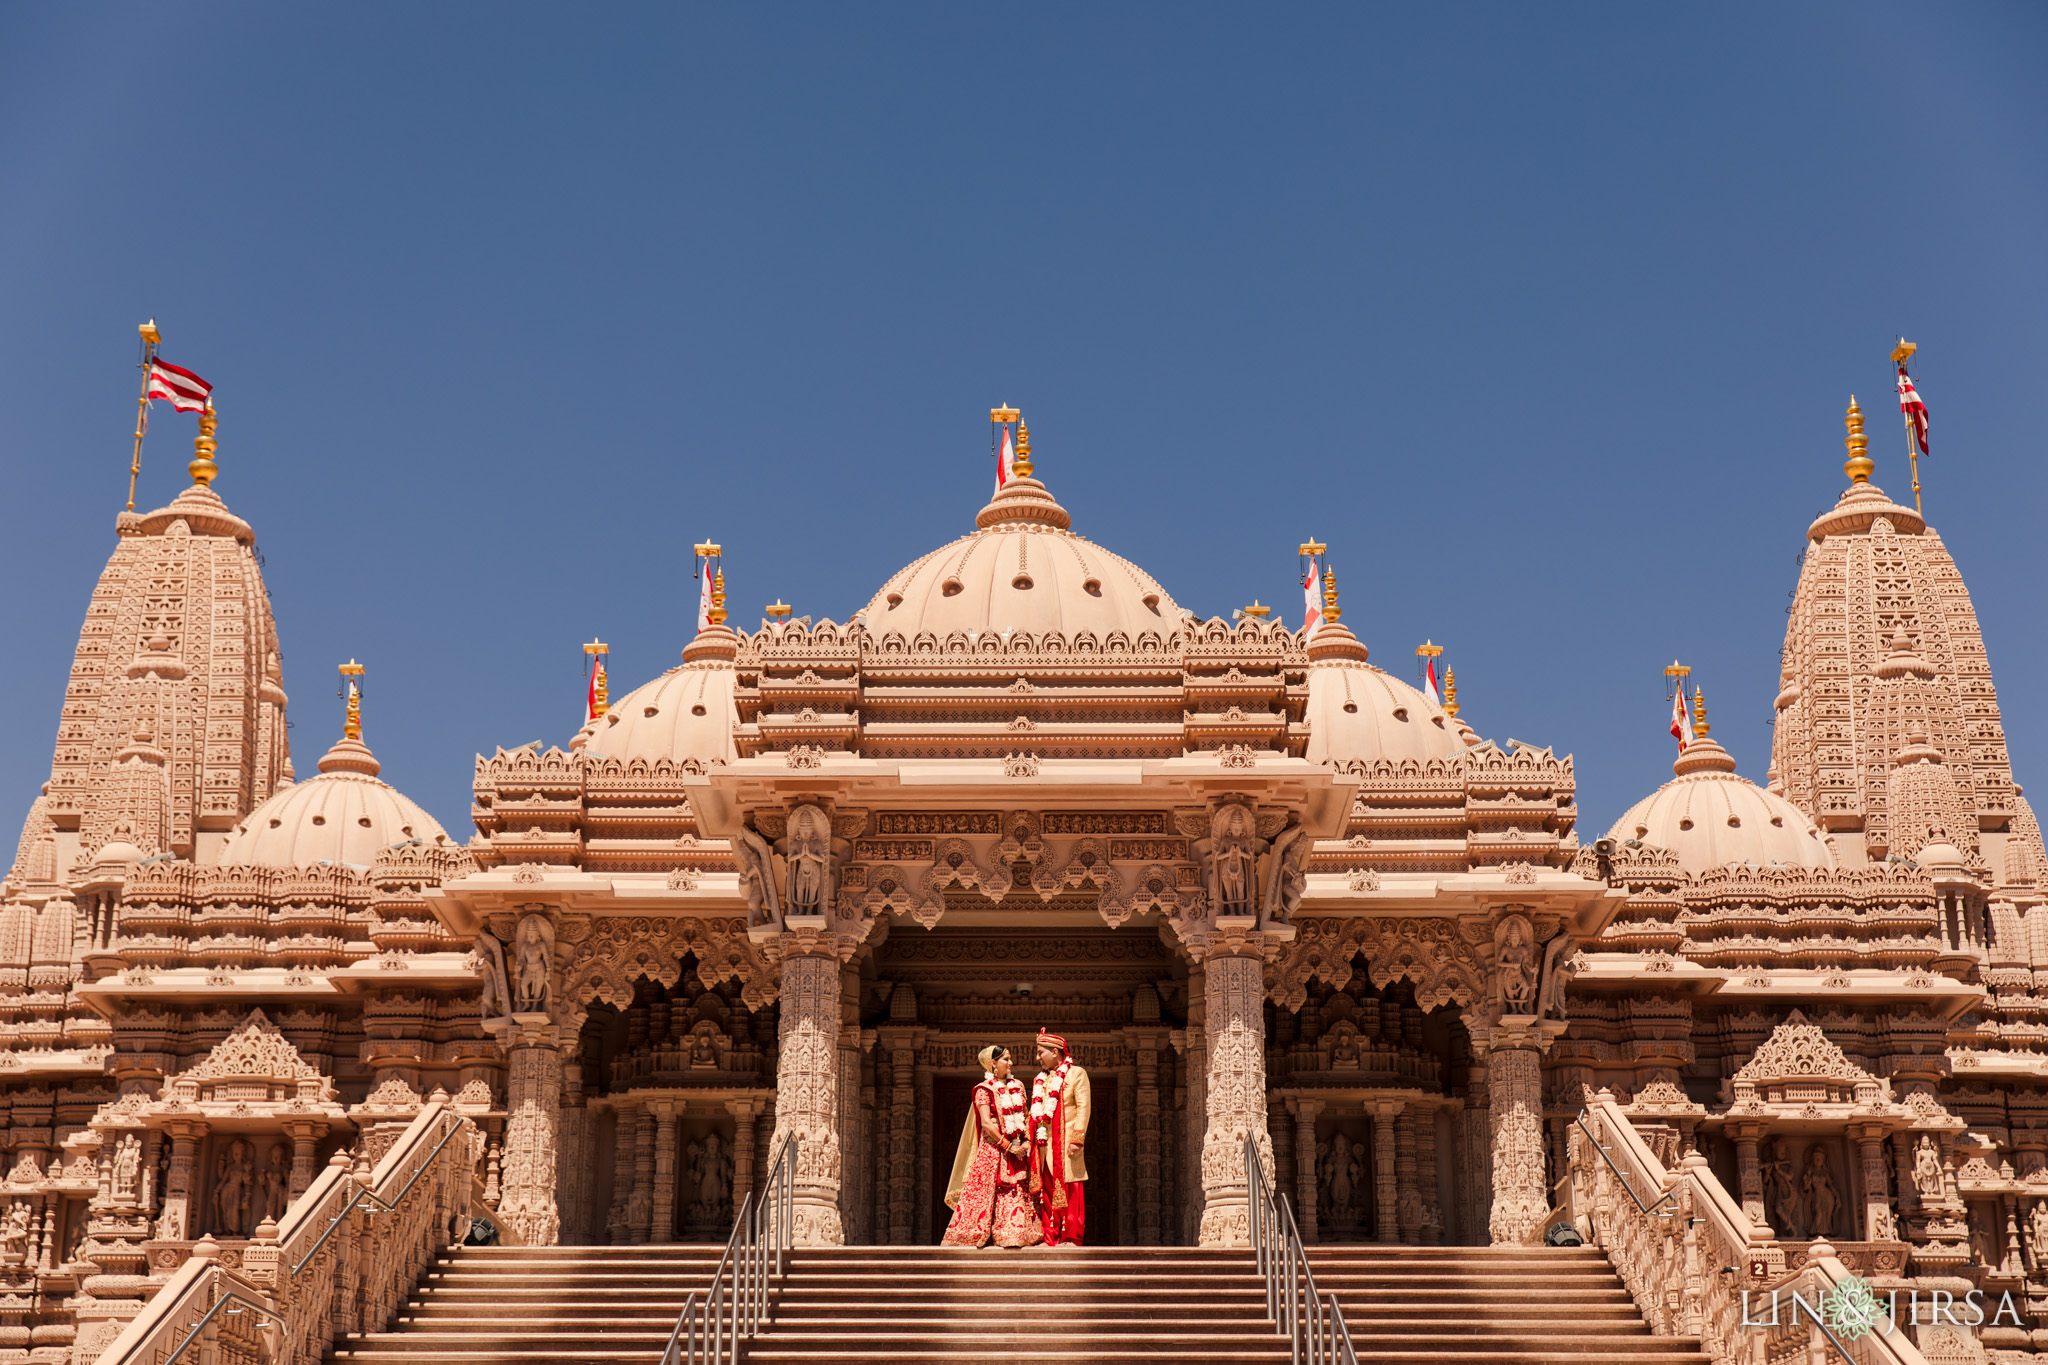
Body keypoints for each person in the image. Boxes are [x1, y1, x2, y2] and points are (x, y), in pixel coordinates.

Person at [940, 1045, 1042, 1249]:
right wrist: (1007, 1145)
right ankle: (974, 1234)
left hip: (1018, 1148)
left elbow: (1025, 1115)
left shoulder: (1019, 1086)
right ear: (993, 1064)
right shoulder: (983, 1089)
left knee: (1016, 1189)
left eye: (1010, 1059)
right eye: (1005, 1059)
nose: (1010, 1063)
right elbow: (986, 1122)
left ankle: (1013, 1233)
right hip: (993, 1149)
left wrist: (1026, 1141)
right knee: (986, 1190)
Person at [1028, 1028, 1091, 1247]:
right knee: (1046, 1190)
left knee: (1071, 1188)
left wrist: (1077, 1139)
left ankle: (1072, 1236)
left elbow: (1083, 1108)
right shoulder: (1041, 1079)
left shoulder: (1076, 1074)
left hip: (1066, 1143)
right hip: (1044, 1143)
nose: (1037, 1058)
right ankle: (1050, 1236)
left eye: (1040, 1052)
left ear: (1055, 1052)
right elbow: (1034, 1112)